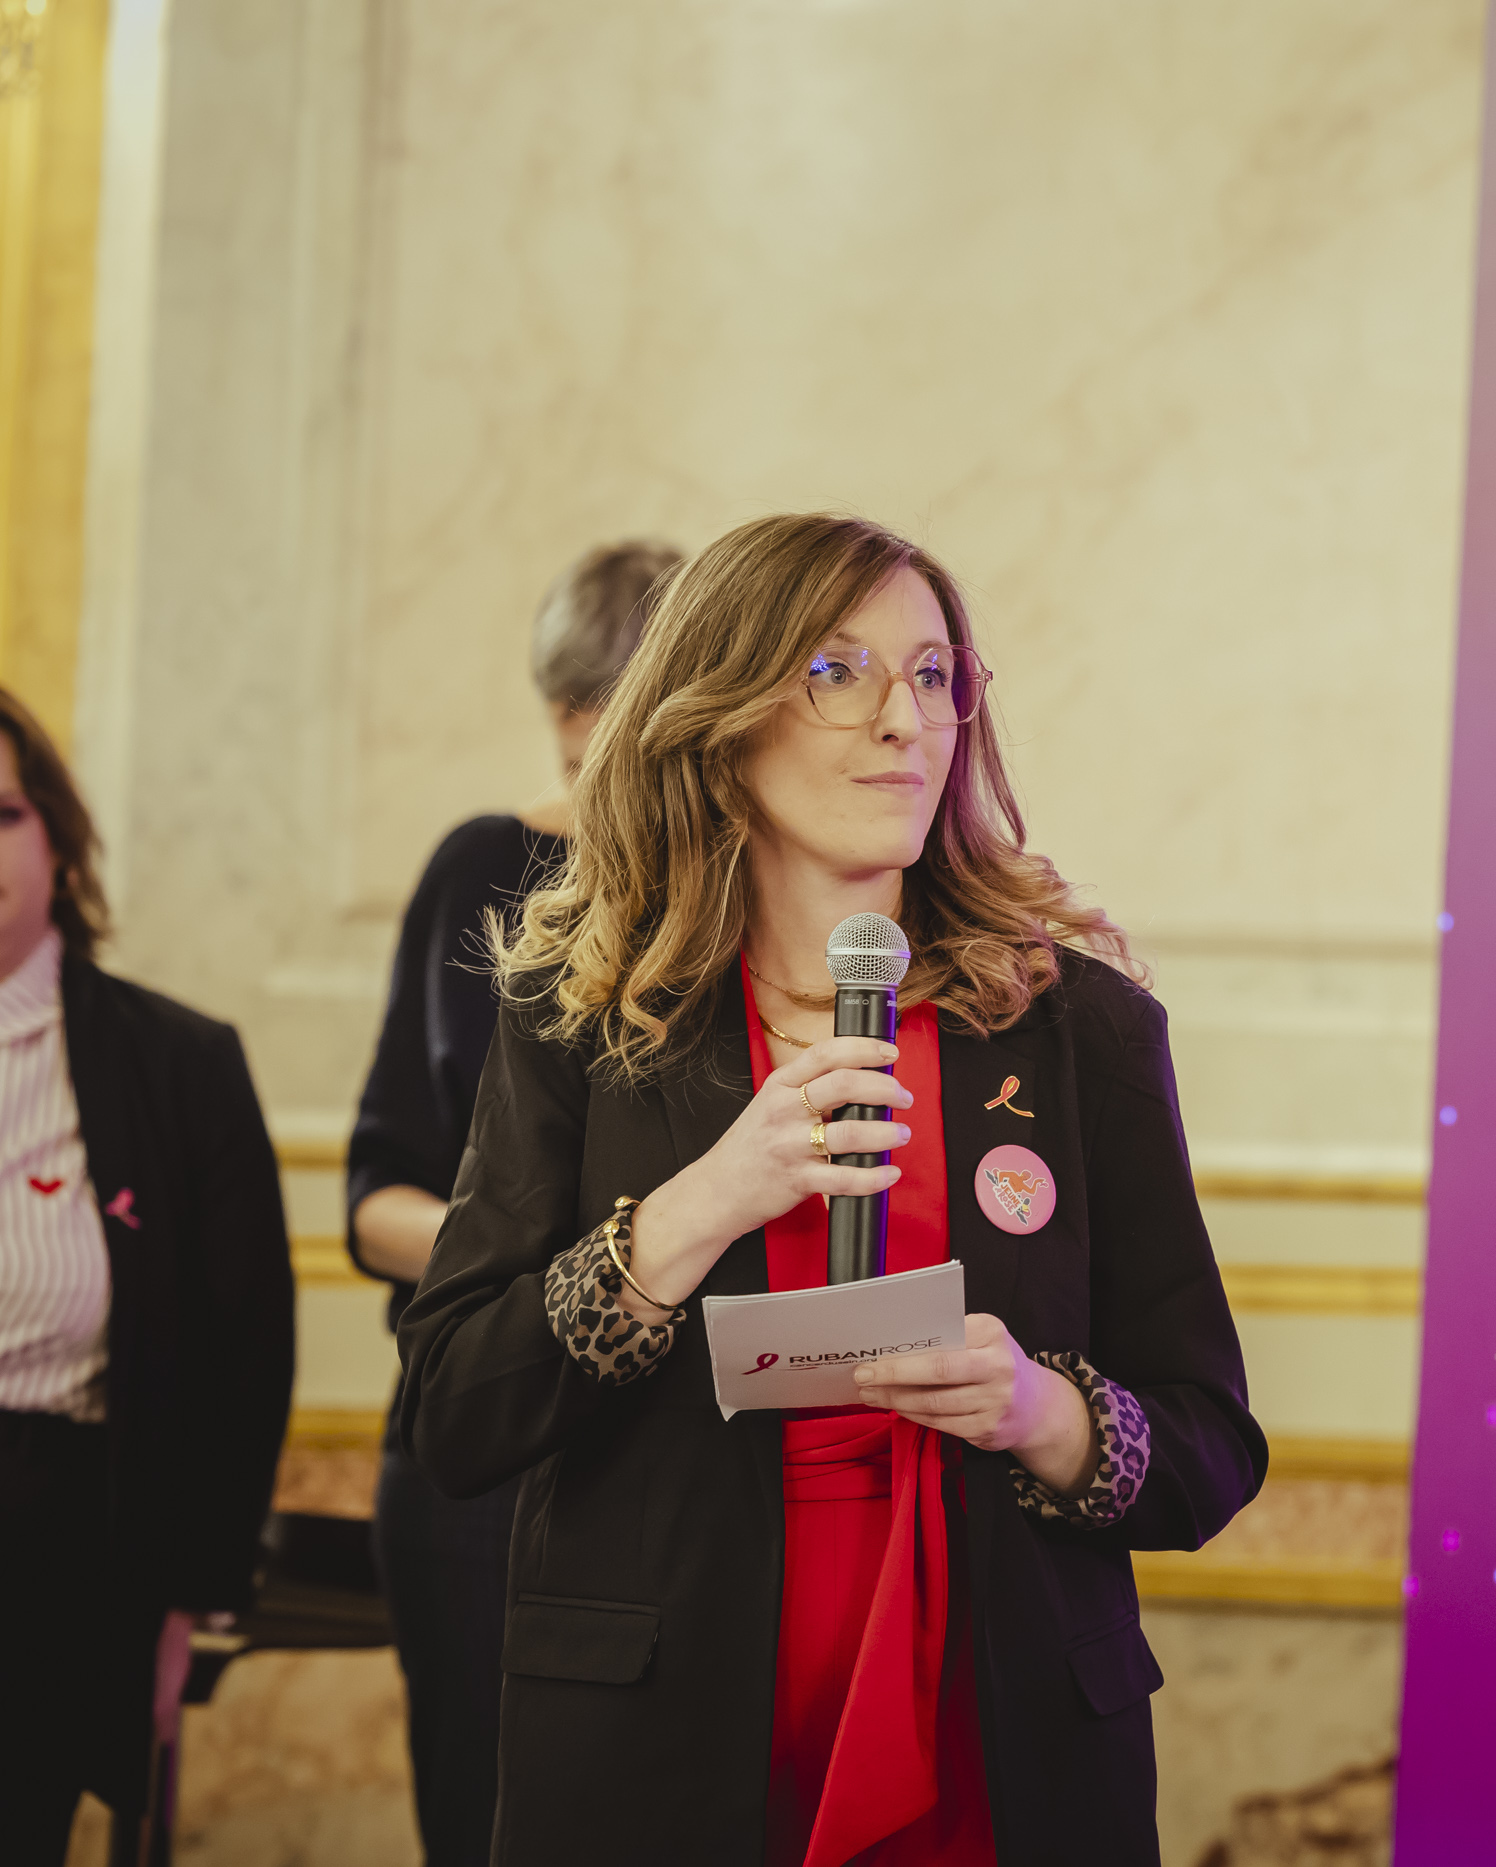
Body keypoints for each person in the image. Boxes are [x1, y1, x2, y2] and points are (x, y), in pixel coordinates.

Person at [395, 512, 1265, 1866]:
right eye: (837, 672)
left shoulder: (1078, 1026)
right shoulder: (588, 1018)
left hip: (995, 1716)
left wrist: (1044, 1411)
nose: (904, 719)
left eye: (933, 676)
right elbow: (457, 1405)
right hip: (658, 1737)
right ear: (723, 723)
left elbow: (1211, 1437)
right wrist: (694, 1208)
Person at [347, 538, 680, 1867]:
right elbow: (376, 1196)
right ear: (572, 714)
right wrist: (569, 1265)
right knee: (486, 1821)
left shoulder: (727, 890)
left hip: (661, 1441)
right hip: (483, 1430)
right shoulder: (478, 867)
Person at [0, 689, 293, 1859]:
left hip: (59, 1552)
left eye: (2, 813)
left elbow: (245, 1351)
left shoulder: (179, 1064)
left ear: (58, 841)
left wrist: (184, 1604)